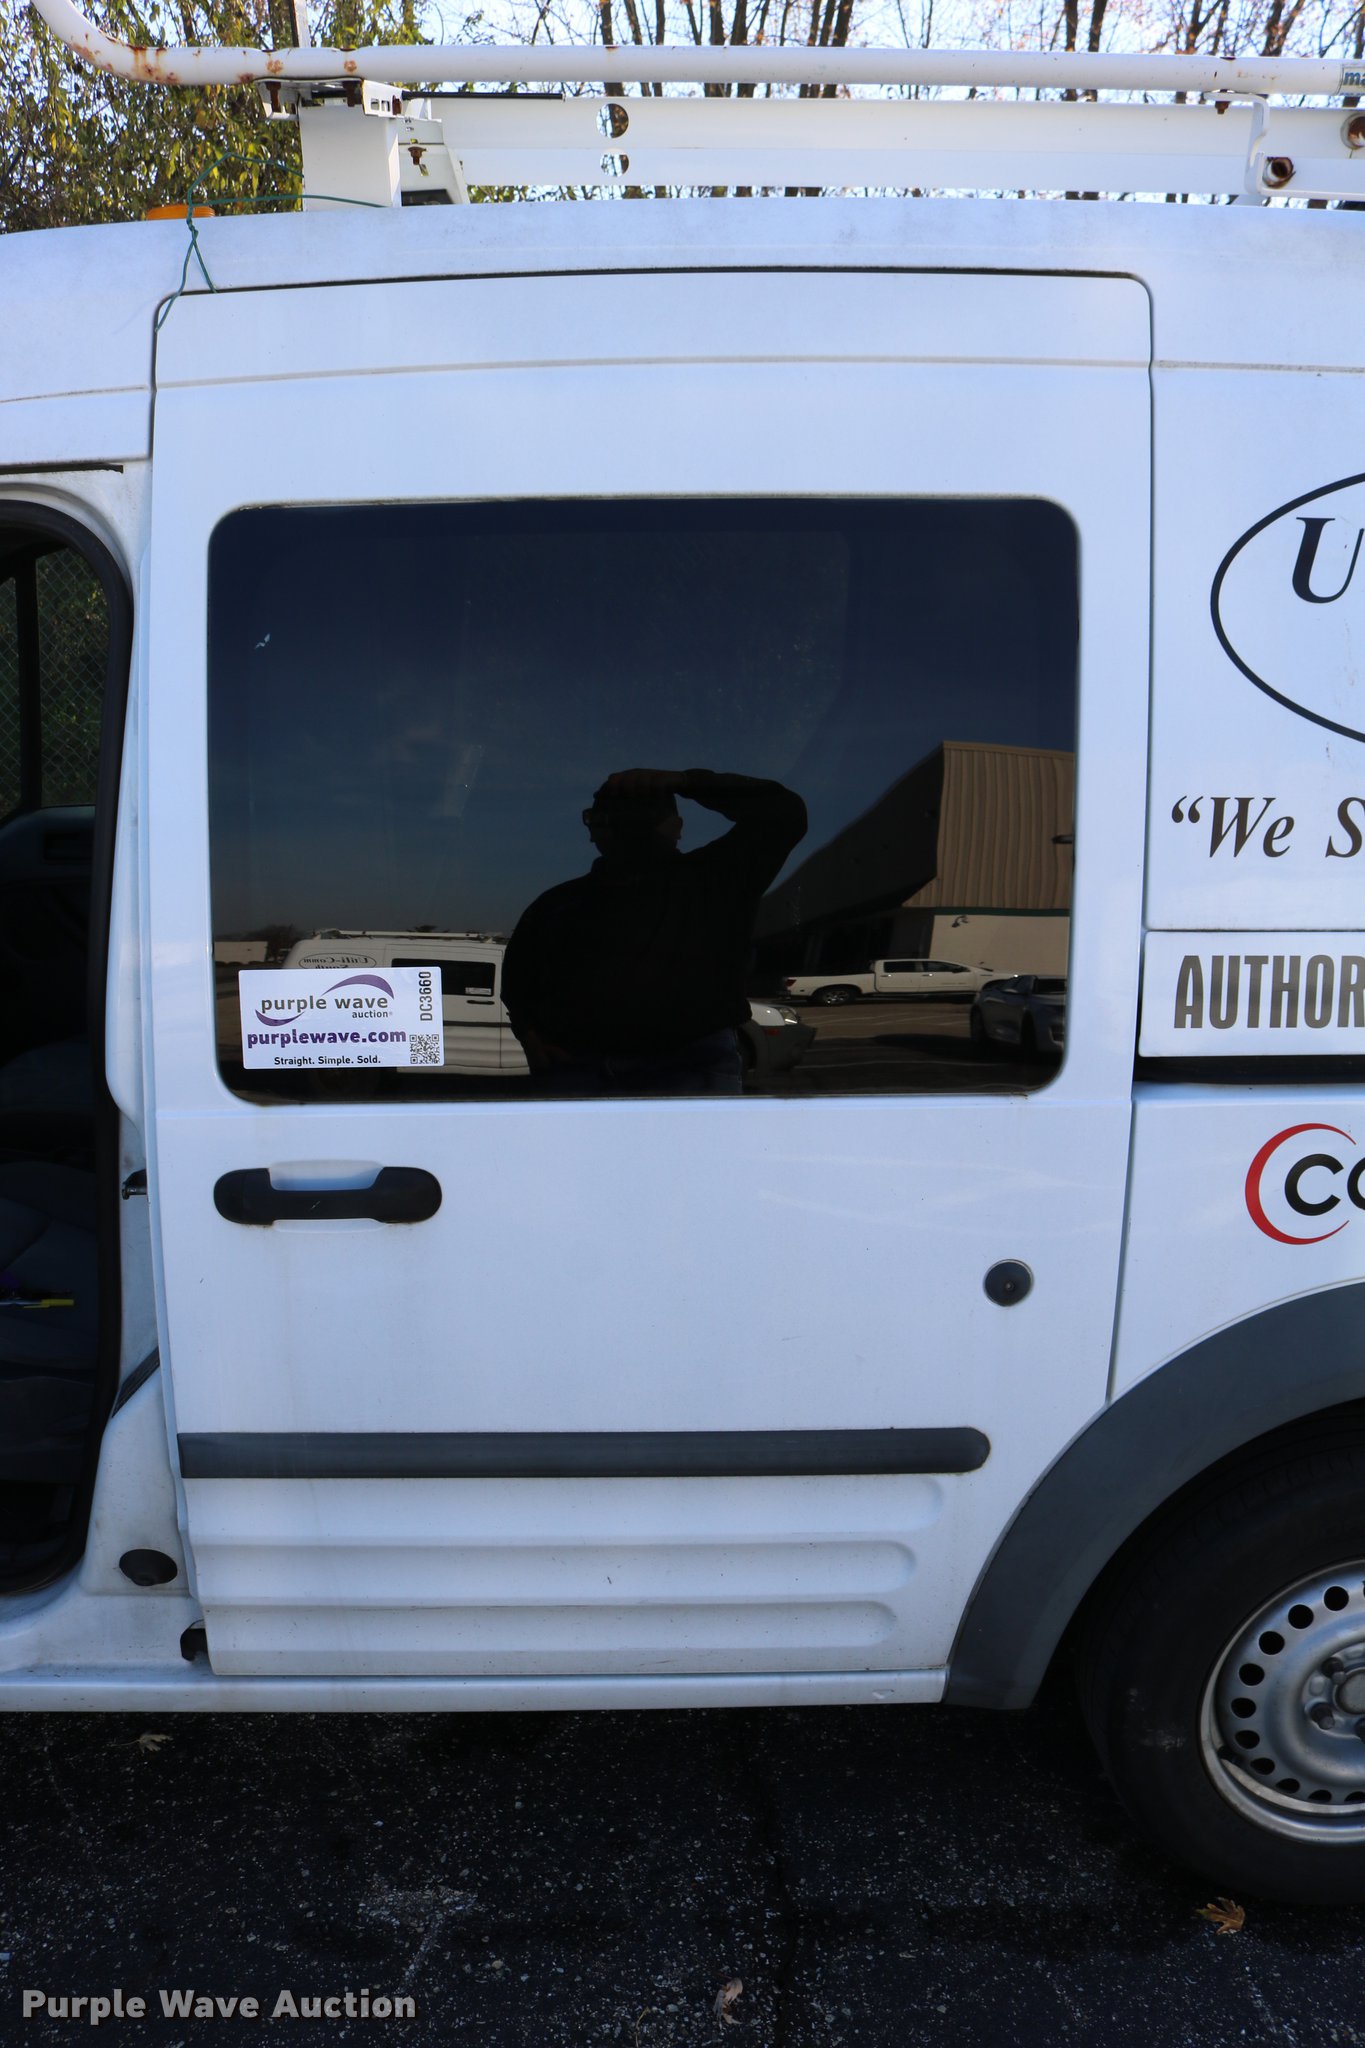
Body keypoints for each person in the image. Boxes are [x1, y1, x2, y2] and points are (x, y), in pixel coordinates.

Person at [501, 768, 807, 1096]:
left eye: (641, 813)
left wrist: (685, 781)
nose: (625, 825)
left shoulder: (717, 878)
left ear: (676, 827)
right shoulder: (555, 904)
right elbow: (518, 979)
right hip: (578, 1067)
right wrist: (528, 1034)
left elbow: (784, 812)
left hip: (686, 1066)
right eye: (608, 815)